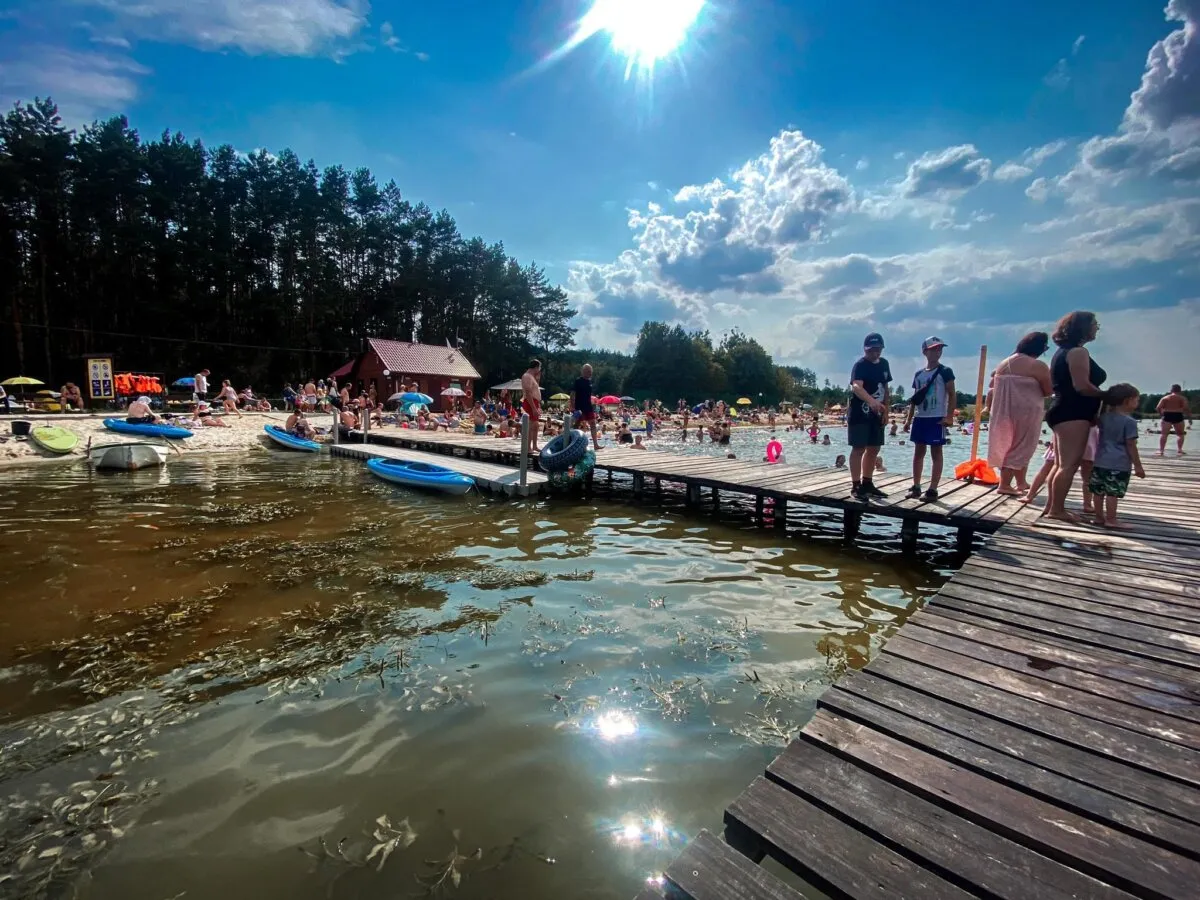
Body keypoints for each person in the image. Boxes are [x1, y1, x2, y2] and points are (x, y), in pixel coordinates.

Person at [1043, 311, 1106, 522]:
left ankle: (1052, 506)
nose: (1098, 327)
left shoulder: (1062, 352)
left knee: (1061, 464)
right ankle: (1057, 510)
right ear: (1083, 327)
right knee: (1069, 465)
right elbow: (1081, 386)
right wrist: (1108, 395)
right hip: (1072, 412)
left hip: (1063, 410)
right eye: (1095, 324)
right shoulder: (1078, 352)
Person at [985, 332, 1053, 496]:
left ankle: (1021, 482)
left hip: (1003, 411)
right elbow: (1048, 391)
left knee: (1010, 445)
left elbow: (991, 386)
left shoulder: (1003, 364)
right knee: (1022, 446)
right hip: (1026, 410)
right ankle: (1005, 484)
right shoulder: (1037, 366)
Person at [903, 336, 955, 501]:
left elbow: (952, 394)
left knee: (936, 452)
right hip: (921, 417)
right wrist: (908, 420)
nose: (937, 352)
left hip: (936, 417)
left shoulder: (945, 371)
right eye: (933, 349)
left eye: (939, 349)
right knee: (918, 452)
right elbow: (915, 399)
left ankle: (932, 489)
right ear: (925, 352)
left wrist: (949, 417)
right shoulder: (919, 374)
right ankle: (916, 486)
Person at [1089, 384, 1146, 528]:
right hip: (1119, 463)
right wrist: (1138, 466)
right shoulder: (1130, 422)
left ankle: (1099, 518)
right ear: (1127, 401)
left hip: (1100, 460)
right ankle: (1111, 520)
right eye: (1136, 400)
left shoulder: (1103, 418)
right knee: (1112, 493)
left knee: (1098, 491)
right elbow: (1131, 445)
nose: (1137, 403)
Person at [848, 332, 892, 501]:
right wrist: (871, 401)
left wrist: (886, 410)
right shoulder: (860, 365)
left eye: (878, 350)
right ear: (866, 350)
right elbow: (856, 387)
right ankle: (856, 484)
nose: (875, 353)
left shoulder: (884, 364)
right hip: (860, 413)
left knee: (874, 447)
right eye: (871, 350)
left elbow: (886, 388)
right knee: (858, 448)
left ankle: (868, 482)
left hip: (877, 414)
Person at [571, 363, 602, 451]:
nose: (590, 373)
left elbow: (587, 395)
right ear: (583, 371)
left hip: (588, 406)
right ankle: (572, 444)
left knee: (593, 424)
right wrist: (572, 406)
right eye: (588, 371)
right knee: (576, 425)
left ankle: (596, 444)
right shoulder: (578, 381)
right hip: (579, 406)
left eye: (591, 371)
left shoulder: (589, 382)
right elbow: (573, 394)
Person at [1156, 384, 1189, 456]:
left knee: (1164, 434)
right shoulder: (1182, 398)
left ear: (1171, 390)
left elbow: (1158, 407)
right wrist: (1189, 417)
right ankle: (1180, 450)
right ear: (1180, 391)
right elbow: (1186, 408)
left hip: (1167, 415)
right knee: (1180, 434)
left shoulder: (1165, 398)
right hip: (1178, 415)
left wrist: (1161, 415)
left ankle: (1161, 450)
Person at [521, 359, 543, 454]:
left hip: (534, 402)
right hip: (530, 402)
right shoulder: (527, 376)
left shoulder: (532, 377)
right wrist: (533, 408)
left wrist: (538, 379)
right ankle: (528, 447)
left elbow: (534, 390)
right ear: (536, 367)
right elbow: (528, 392)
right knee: (531, 425)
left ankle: (534, 446)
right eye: (539, 367)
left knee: (536, 425)